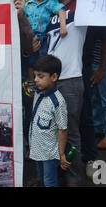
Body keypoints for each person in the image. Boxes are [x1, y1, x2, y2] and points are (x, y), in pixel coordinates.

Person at [47, 0, 87, 186]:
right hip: (48, 84)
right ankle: (52, 177)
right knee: (50, 133)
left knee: (70, 135)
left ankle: (73, 179)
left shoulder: (82, 8)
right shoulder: (50, 8)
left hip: (70, 82)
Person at [28, 55, 70, 187]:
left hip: (49, 153)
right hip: (36, 148)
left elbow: (63, 129)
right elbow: (26, 87)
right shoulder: (37, 92)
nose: (36, 80)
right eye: (35, 76)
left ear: (54, 77)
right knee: (41, 178)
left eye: (40, 76)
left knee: (50, 181)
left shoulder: (58, 102)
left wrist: (61, 154)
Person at [23, 0, 67, 76]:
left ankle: (43, 83)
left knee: (42, 63)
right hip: (30, 37)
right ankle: (30, 85)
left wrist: (63, 27)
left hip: (44, 37)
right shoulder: (28, 4)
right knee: (30, 63)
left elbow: (61, 10)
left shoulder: (50, 2)